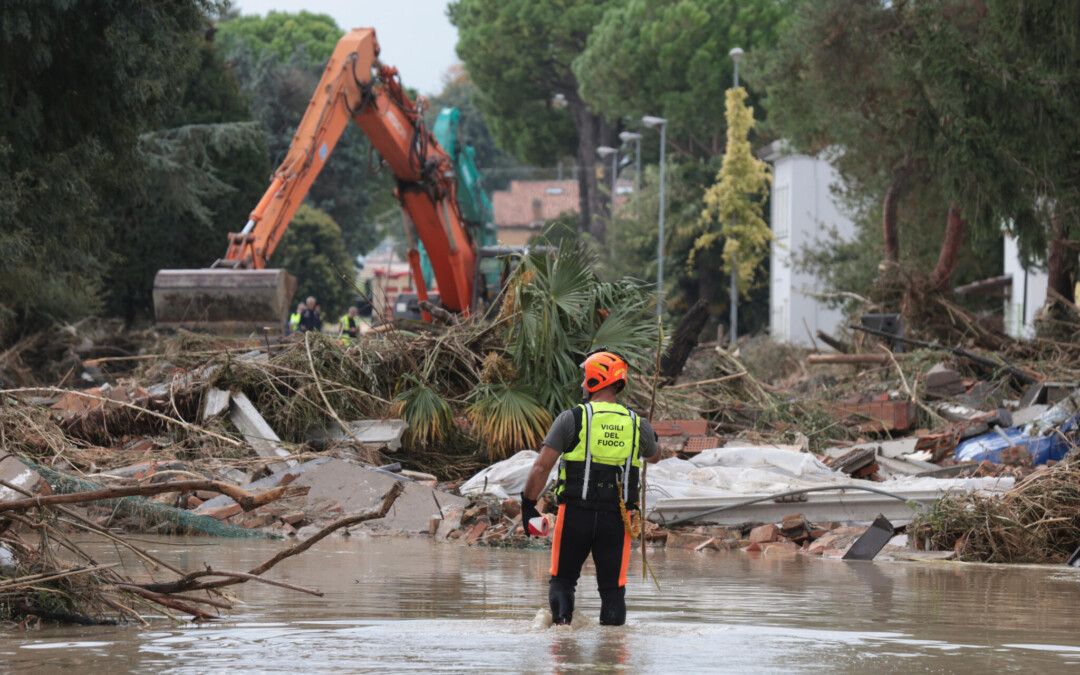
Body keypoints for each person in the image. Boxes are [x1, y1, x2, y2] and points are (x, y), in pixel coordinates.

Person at [520, 349, 659, 627]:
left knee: (562, 580)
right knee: (613, 590)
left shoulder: (571, 419)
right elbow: (654, 455)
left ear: (596, 379)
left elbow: (540, 468)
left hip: (575, 515)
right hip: (619, 520)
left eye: (586, 377)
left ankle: (561, 639)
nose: (583, 383)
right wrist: (650, 433)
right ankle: (612, 655)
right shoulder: (637, 424)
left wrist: (527, 504)